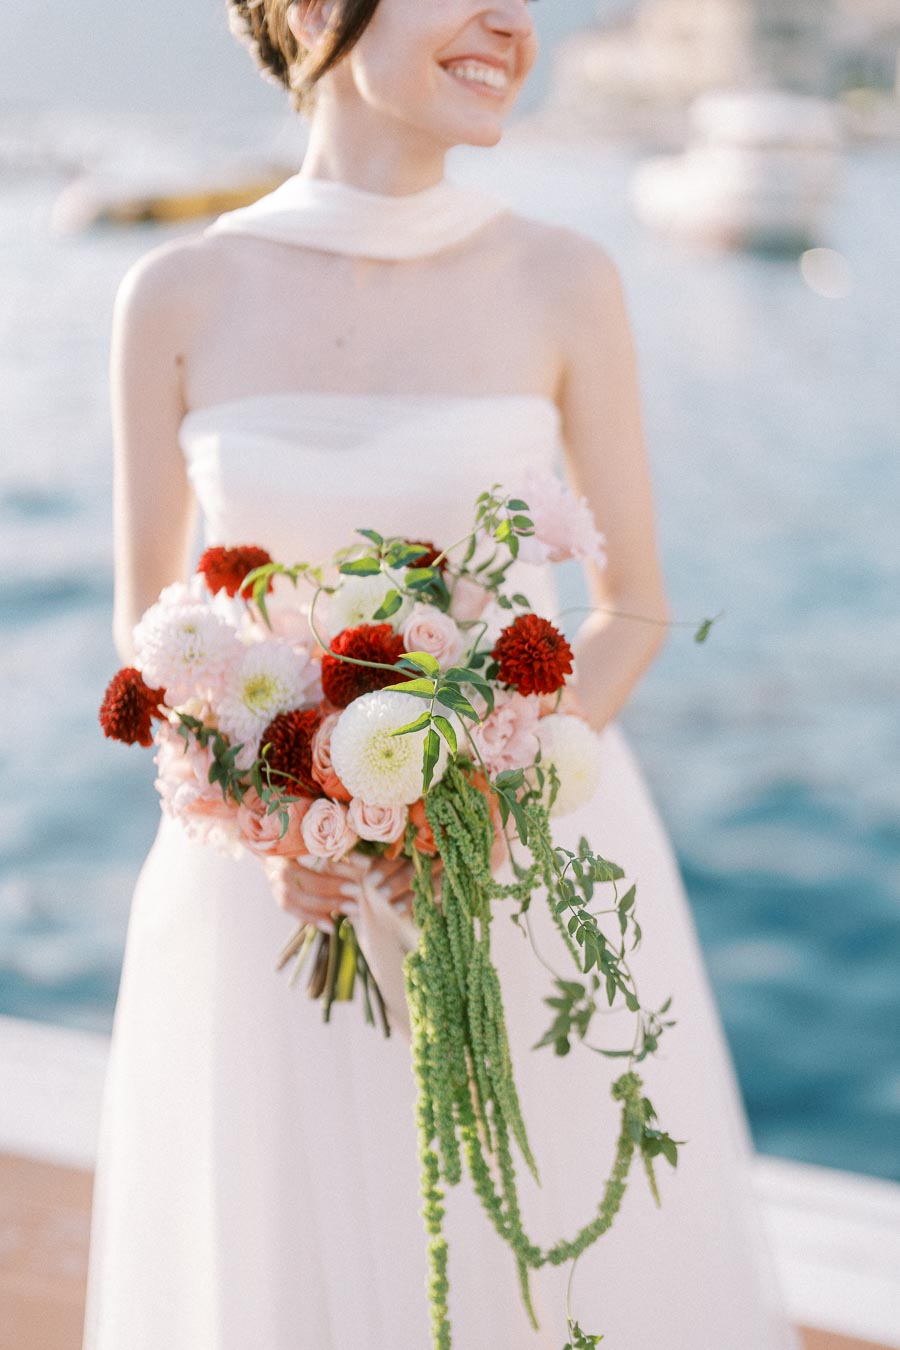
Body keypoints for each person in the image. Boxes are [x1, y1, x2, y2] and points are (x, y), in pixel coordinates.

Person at [82, 1, 803, 1346]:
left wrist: (472, 804)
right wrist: (267, 824)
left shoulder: (565, 277)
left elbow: (632, 604)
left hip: (523, 883)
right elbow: (156, 629)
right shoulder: (173, 294)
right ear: (310, 10)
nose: (511, 22)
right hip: (268, 911)